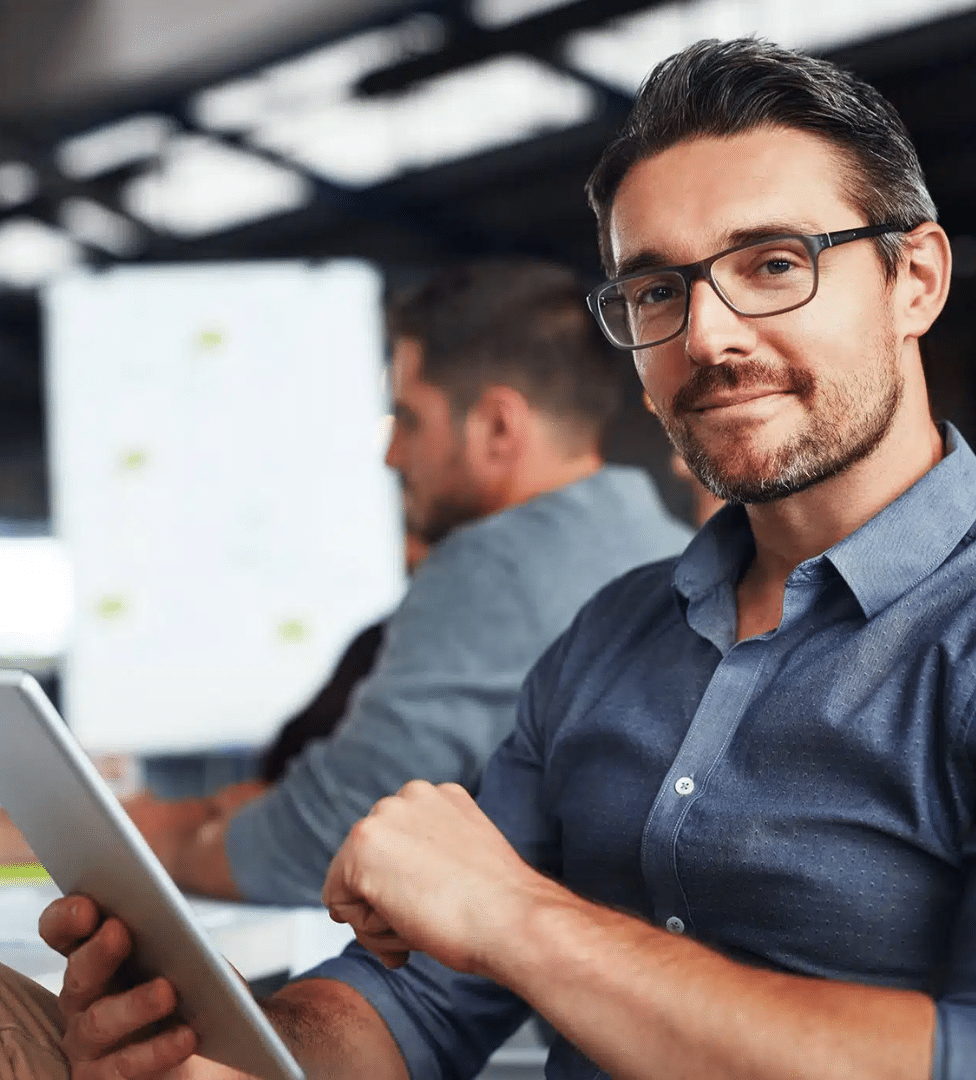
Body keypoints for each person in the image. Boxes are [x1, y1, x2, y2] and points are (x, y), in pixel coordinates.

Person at [15, 35, 976, 1080]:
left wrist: (522, 919)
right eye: (658, 290)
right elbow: (417, 1000)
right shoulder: (610, 638)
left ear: (917, 281)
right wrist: (223, 1048)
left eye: (773, 264)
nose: (707, 336)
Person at [63, 258, 691, 907]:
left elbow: (321, 839)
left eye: (409, 419)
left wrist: (138, 843)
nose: (391, 455)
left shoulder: (494, 566)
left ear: (498, 427)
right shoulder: (670, 549)